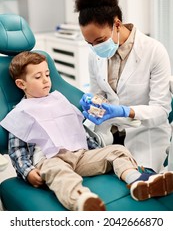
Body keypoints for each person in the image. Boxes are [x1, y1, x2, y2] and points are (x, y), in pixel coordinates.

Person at [1, 51, 173, 211]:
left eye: (47, 74)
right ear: (21, 84)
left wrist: (99, 152)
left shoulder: (59, 100)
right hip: (50, 160)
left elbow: (78, 130)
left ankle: (136, 180)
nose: (46, 80)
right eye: (38, 77)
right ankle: (82, 200)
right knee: (59, 172)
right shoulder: (20, 113)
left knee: (117, 151)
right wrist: (28, 171)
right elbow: (17, 151)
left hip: (81, 155)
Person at [74, 0, 172, 173]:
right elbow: (98, 93)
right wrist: (92, 102)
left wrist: (125, 111)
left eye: (100, 41)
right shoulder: (94, 53)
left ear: (116, 24)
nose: (95, 48)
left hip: (144, 134)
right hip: (107, 134)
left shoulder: (154, 51)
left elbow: (161, 111)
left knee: (138, 184)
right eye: (89, 43)